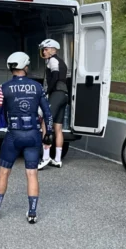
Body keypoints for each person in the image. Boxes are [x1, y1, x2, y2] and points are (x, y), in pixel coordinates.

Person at [0, 52, 52, 223]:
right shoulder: (37, 87)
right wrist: (49, 133)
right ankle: (32, 213)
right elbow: (47, 112)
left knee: (4, 171)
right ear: (26, 67)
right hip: (33, 134)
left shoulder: (4, 87)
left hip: (13, 135)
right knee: (32, 174)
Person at [37, 39, 71, 169]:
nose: (44, 52)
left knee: (46, 122)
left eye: (46, 49)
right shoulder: (62, 62)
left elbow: (55, 77)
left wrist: (47, 92)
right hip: (64, 94)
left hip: (56, 93)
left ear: (53, 49)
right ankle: (57, 159)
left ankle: (45, 156)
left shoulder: (52, 60)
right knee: (58, 128)